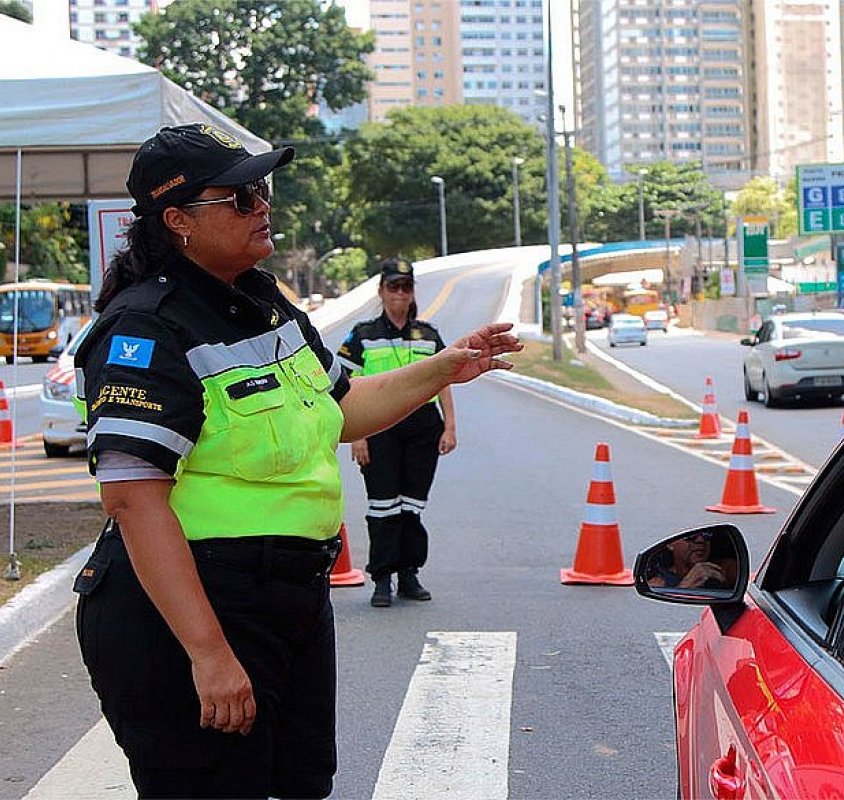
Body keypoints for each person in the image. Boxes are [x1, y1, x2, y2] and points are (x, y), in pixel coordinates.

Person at [70, 123, 520, 799]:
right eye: (240, 198)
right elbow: (134, 499)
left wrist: (445, 368)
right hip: (195, 610)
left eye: (263, 191)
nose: (262, 207)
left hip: (292, 600)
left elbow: (342, 407)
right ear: (176, 220)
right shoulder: (145, 328)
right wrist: (209, 653)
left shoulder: (263, 302)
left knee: (301, 785)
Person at [338, 259, 454, 607]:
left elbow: (444, 380)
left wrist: (450, 426)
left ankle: (409, 575)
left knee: (412, 506)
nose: (400, 293)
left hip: (423, 428)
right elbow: (344, 385)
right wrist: (357, 434)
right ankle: (382, 578)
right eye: (393, 286)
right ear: (381, 291)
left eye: (406, 286)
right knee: (382, 505)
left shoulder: (428, 335)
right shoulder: (363, 335)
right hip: (378, 425)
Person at [647, 530, 733, 589]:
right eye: (690, 536)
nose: (701, 540)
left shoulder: (725, 568)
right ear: (670, 543)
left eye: (706, 533)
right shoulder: (658, 584)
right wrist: (685, 586)